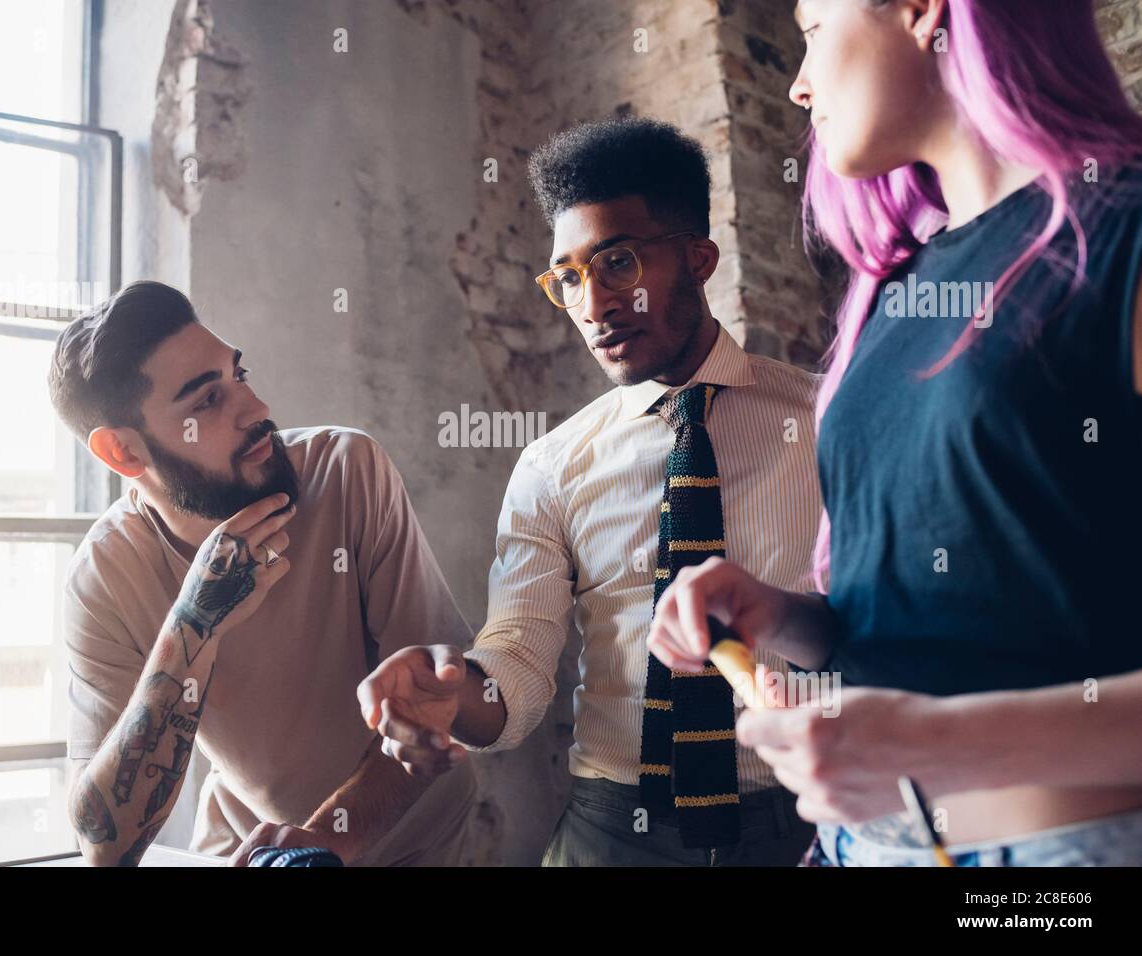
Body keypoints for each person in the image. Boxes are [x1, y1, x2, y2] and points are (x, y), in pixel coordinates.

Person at [649, 0, 1142, 866]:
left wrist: (941, 744)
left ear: (920, 10)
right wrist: (784, 619)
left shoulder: (1125, 234)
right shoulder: (897, 293)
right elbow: (941, 616)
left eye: (811, 27)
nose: (799, 86)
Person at [359, 118, 823, 866]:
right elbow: (518, 658)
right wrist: (457, 698)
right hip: (616, 830)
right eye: (568, 277)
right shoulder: (551, 467)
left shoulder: (827, 420)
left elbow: (886, 627)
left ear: (699, 259)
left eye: (618, 263)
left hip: (807, 818)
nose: (593, 303)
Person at [50, 280, 475, 866]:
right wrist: (194, 620)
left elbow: (435, 709)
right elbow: (103, 847)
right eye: (206, 401)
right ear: (123, 453)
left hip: (412, 847)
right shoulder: (103, 575)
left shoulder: (347, 473)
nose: (257, 410)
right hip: (250, 849)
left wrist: (322, 846)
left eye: (238, 376)